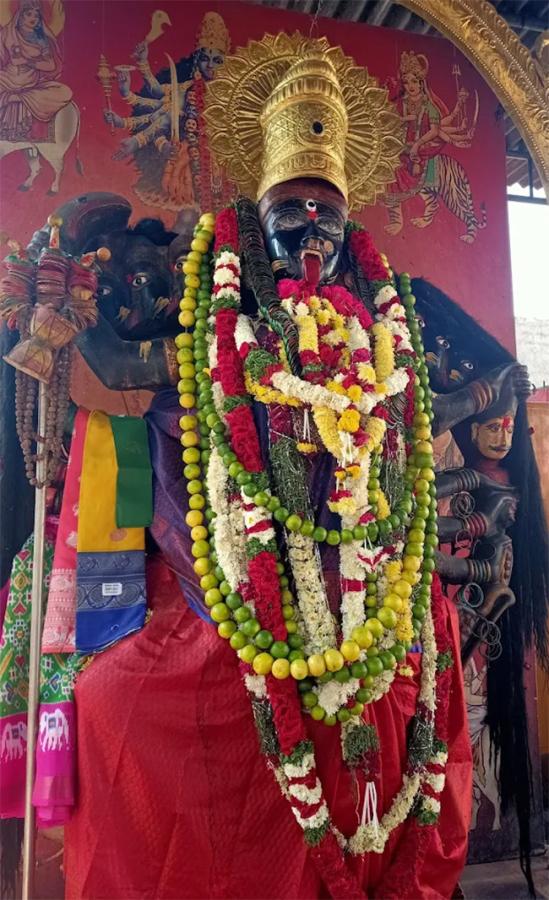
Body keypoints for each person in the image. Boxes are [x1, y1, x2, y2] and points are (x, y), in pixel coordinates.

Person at [63, 35, 473, 899]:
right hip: (235, 589)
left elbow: (413, 443)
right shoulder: (211, 318)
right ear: (258, 218)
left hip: (370, 587)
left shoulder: (381, 327)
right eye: (291, 207)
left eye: (326, 209)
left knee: (421, 669)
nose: (310, 225)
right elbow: (129, 384)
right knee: (111, 701)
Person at [0, 0, 71, 142]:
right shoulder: (7, 33)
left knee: (65, 92)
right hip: (8, 78)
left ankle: (13, 98)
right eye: (29, 14)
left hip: (31, 83)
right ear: (20, 15)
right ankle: (11, 97)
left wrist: (27, 61)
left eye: (37, 15)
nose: (33, 18)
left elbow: (50, 65)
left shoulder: (41, 39)